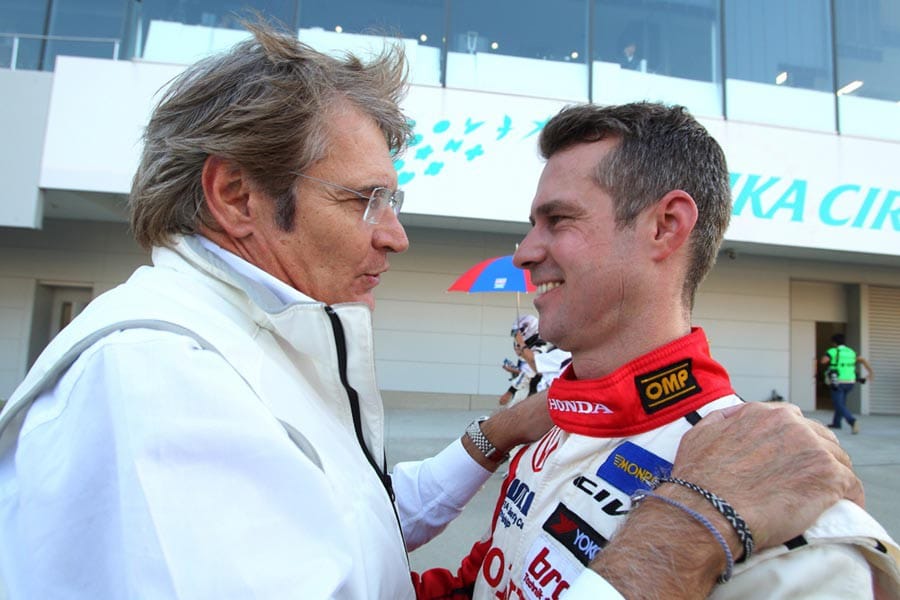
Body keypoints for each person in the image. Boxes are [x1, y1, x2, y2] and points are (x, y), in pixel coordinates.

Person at [0, 23, 870, 600]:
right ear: (236, 196)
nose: (396, 235)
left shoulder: (784, 496)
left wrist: (494, 438)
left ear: (667, 228)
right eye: (365, 200)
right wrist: (690, 526)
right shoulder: (158, 380)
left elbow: (358, 527)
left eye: (557, 220)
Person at [412, 102, 900, 599]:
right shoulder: (547, 429)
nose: (524, 253)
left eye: (557, 220)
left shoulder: (787, 516)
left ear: (665, 226)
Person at [821, 333, 874, 434]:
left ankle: (852, 421)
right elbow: (862, 360)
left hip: (838, 381)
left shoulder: (833, 351)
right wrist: (870, 372)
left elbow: (824, 361)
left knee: (838, 403)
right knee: (841, 402)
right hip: (850, 381)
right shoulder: (851, 352)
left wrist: (827, 359)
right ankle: (836, 423)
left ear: (834, 343)